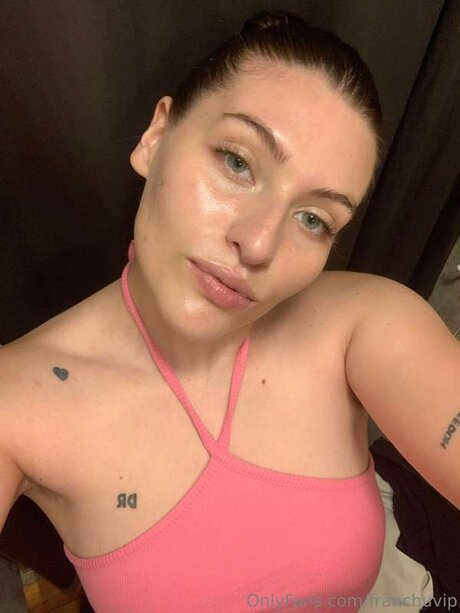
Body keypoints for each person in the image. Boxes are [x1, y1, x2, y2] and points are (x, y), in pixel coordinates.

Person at [1, 8, 458, 613]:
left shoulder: (363, 322)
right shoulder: (18, 403)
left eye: (314, 219)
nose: (260, 244)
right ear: (156, 138)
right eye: (237, 162)